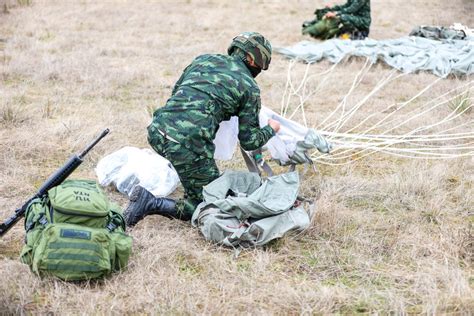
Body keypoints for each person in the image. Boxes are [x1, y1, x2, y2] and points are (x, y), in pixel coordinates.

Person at [124, 32, 281, 226]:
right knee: (210, 205)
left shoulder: (203, 59)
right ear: (251, 58)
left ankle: (189, 172)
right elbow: (250, 140)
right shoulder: (249, 87)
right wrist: (271, 129)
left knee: (194, 167)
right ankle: (149, 203)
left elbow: (176, 93)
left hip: (156, 130)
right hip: (186, 146)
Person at [302, 0, 371, 40]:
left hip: (363, 21)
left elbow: (352, 9)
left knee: (343, 17)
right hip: (355, 19)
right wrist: (332, 9)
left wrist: (336, 13)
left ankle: (357, 34)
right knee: (339, 33)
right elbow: (346, 6)